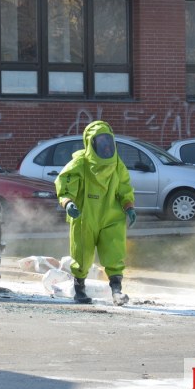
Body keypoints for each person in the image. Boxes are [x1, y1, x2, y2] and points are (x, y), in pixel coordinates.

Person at [55, 121, 136, 306]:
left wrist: (129, 206)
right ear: (90, 142)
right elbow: (65, 183)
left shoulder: (117, 165)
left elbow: (124, 188)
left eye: (108, 141)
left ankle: (117, 292)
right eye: (101, 142)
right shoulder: (79, 163)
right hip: (84, 216)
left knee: (114, 253)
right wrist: (68, 202)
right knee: (82, 255)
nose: (106, 147)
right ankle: (79, 290)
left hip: (111, 216)